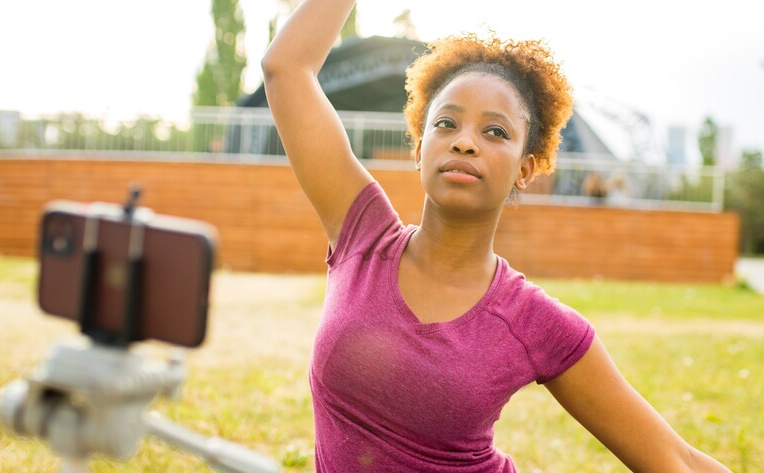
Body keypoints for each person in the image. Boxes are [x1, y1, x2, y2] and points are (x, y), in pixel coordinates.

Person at [262, 1, 732, 471]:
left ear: (525, 169)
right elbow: (286, 68)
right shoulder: (362, 235)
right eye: (446, 123)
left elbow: (677, 460)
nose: (465, 141)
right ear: (420, 148)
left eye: (495, 131)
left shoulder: (532, 321)